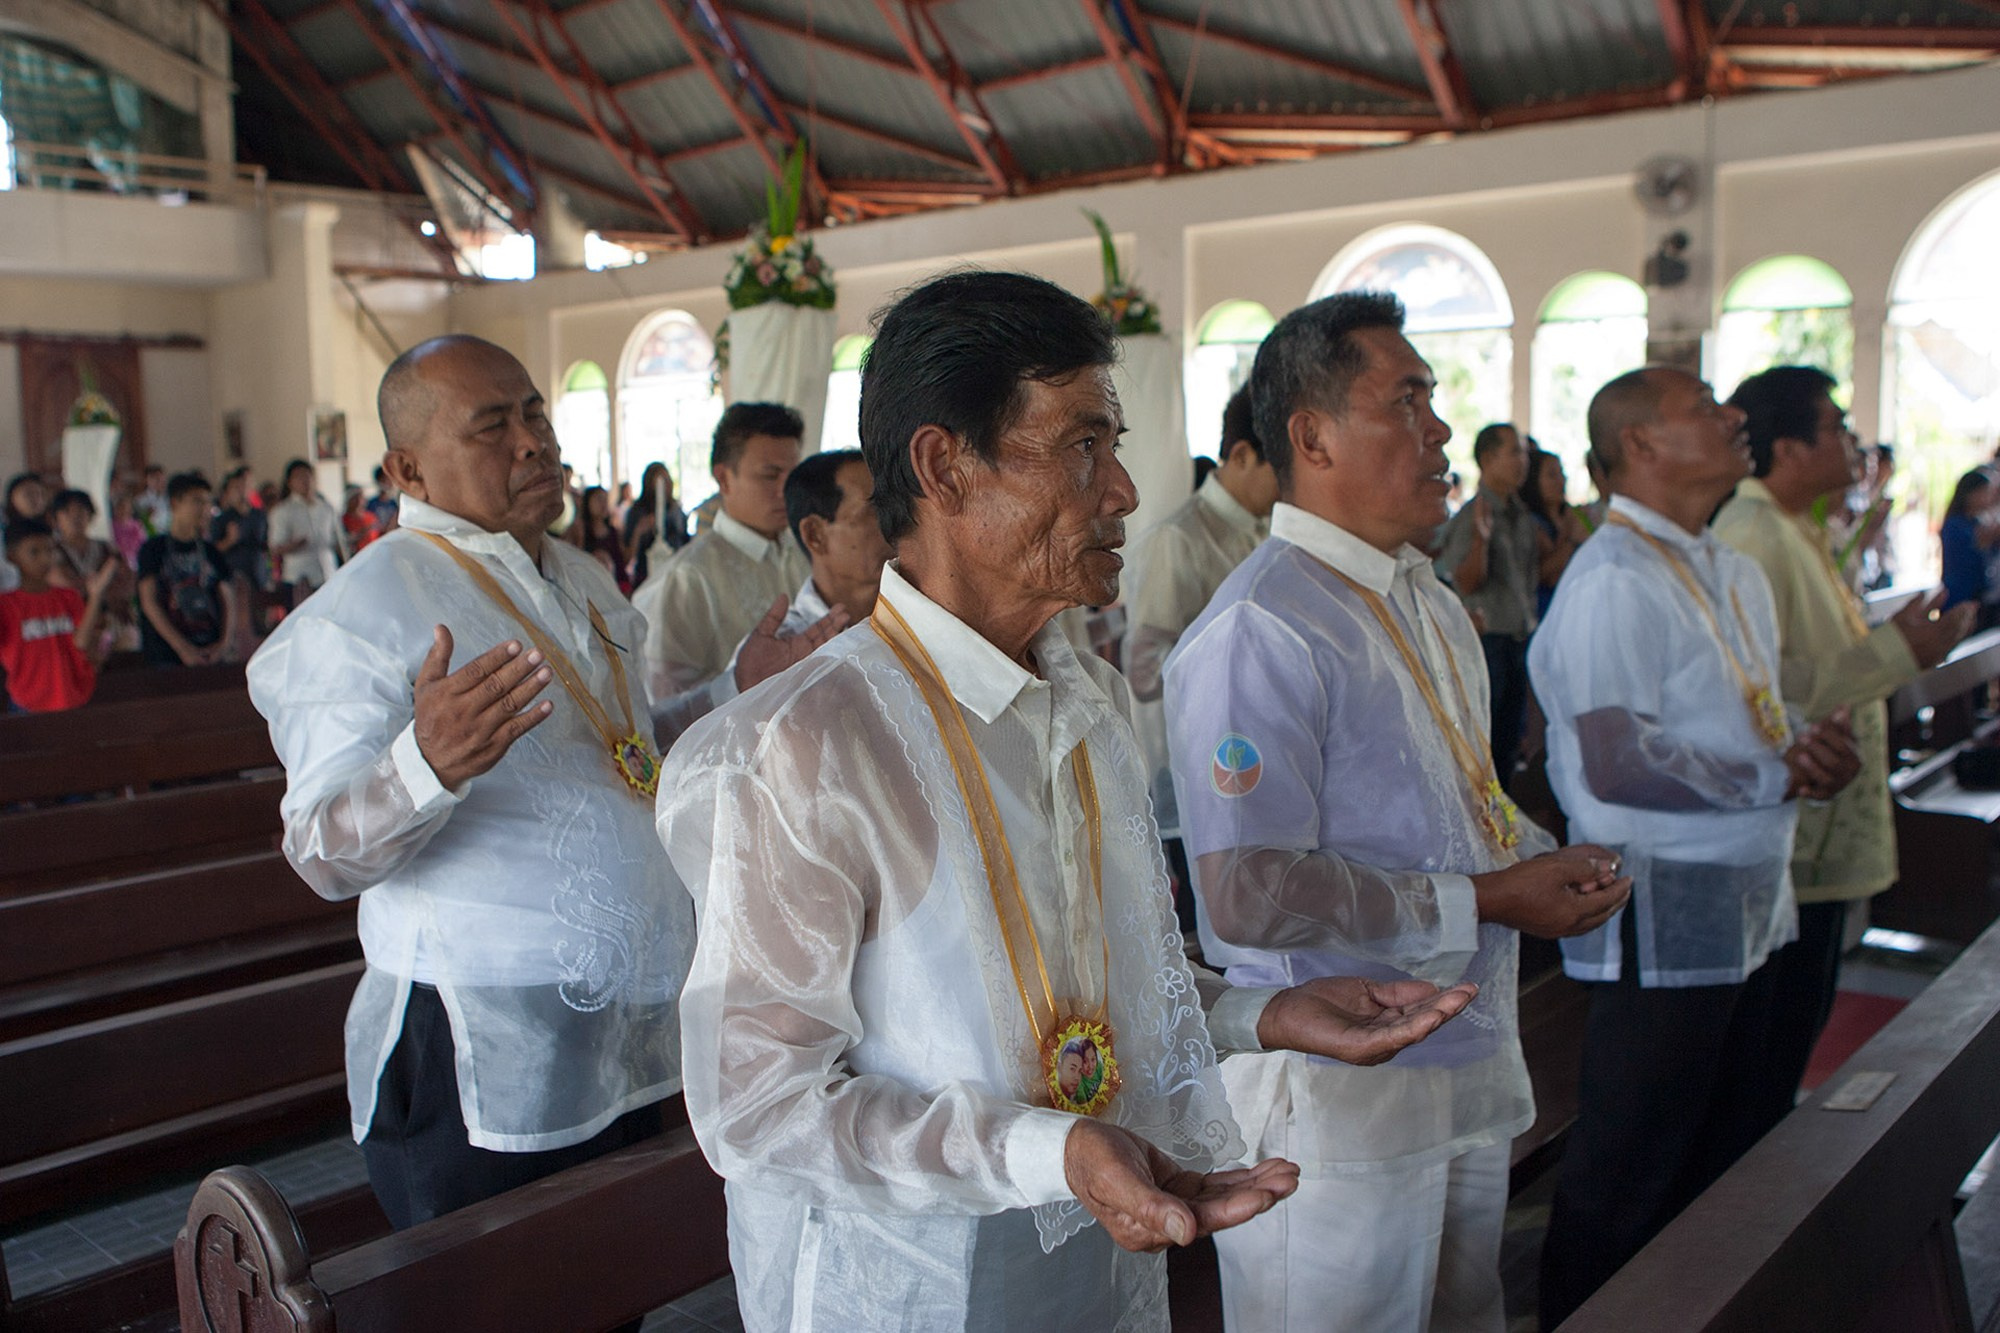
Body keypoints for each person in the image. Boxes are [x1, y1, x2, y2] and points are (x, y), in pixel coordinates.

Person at [657, 271, 1483, 1333]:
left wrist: (1256, 1010)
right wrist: (1051, 1147)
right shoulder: (799, 745)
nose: (1124, 490)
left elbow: (1084, 976)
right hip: (906, 1287)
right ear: (944, 464)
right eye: (1083, 446)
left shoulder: (1076, 690)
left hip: (1092, 1251)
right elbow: (759, 1109)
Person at [245, 335, 838, 1241]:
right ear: (409, 467)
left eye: (534, 414)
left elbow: (626, 758)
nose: (532, 442)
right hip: (477, 1037)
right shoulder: (359, 614)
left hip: (630, 1021)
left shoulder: (586, 577)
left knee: (617, 1278)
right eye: (492, 426)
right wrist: (425, 764)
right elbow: (319, 851)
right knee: (499, 1296)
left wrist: (729, 693)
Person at [1168, 292, 1630, 1333]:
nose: (1438, 430)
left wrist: (1542, 857)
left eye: (1432, 399)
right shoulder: (1261, 625)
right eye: (1406, 399)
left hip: (1455, 1056)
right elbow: (1245, 895)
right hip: (1332, 1090)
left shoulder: (1417, 596)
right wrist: (1492, 896)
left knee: (1460, 1316)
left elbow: (1456, 804)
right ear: (1310, 435)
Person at [1531, 367, 1863, 1327]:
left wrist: (1805, 746)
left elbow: (1740, 716)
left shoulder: (1726, 566)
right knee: (1632, 1165)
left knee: (1735, 1145)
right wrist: (1776, 773)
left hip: (1750, 895)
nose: (1732, 418)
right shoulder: (1610, 580)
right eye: (1703, 409)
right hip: (1660, 907)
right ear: (1640, 445)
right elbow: (1616, 760)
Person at [1714, 366, 1973, 1116]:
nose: (1852, 443)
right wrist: (1898, 653)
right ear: (1789, 447)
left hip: (1817, 821)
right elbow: (1763, 689)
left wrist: (1901, 645)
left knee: (1792, 1032)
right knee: (1767, 1045)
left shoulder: (1793, 527)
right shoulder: (1752, 534)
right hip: (1790, 829)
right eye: (1835, 427)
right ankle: (1748, 1215)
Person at [1122, 383, 1277, 856]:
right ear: (1242, 454)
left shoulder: (1268, 531)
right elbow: (1146, 670)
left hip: (1266, 747)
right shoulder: (1180, 539)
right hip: (1204, 764)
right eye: (1282, 469)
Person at [632, 402, 813, 704]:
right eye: (770, 476)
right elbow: (666, 708)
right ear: (724, 478)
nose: (786, 490)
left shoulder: (803, 553)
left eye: (792, 476)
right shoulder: (687, 578)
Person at [1434, 423, 1540, 787]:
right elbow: (1466, 582)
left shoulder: (1520, 514)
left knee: (1511, 742)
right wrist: (1480, 540)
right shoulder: (1472, 515)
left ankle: (1509, 827)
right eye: (1513, 452)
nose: (1522, 461)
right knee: (1486, 741)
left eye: (1524, 453)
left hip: (1518, 638)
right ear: (1488, 459)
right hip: (1488, 641)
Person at [0, 518, 119, 711]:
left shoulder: (68, 596)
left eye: (50, 550)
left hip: (76, 696)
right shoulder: (6, 605)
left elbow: (81, 642)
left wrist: (96, 597)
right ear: (12, 557)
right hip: (28, 703)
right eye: (34, 552)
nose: (46, 558)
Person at [136, 471, 240, 667]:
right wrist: (182, 648)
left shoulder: (211, 552)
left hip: (210, 648)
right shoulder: (153, 549)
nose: (205, 509)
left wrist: (223, 645)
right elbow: (149, 601)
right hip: (167, 654)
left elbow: (227, 599)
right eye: (197, 502)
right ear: (175, 504)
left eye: (208, 503)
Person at [48, 488, 136, 656]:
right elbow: (65, 585)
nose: (75, 517)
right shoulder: (52, 551)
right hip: (70, 623)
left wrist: (93, 589)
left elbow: (128, 582)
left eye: (81, 511)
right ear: (56, 518)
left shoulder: (107, 548)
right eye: (67, 512)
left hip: (112, 620)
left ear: (91, 515)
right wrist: (103, 586)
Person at [1521, 448, 1589, 619]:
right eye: (1552, 475)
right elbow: (1544, 575)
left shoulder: (1574, 515)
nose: (1561, 480)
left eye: (1561, 473)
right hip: (1546, 612)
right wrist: (1571, 540)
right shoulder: (1530, 523)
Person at [269, 458, 346, 604]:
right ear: (289, 482)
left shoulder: (326, 508)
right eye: (299, 477)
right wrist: (294, 544)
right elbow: (275, 548)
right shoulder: (282, 511)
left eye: (308, 476)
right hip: (299, 578)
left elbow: (338, 541)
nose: (305, 481)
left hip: (328, 575)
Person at [1939, 466, 1998, 616]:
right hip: (1959, 596)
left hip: (1980, 597)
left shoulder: (1978, 523)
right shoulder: (1955, 525)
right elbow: (1964, 557)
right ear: (1971, 494)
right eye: (1985, 492)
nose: (1989, 498)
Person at [576, 486, 627, 590]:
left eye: (605, 500)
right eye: (599, 499)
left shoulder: (613, 531)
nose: (603, 504)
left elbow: (621, 560)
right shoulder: (580, 529)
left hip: (614, 584)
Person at [135, 464, 171, 535]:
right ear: (147, 480)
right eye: (155, 478)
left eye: (161, 478)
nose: (159, 481)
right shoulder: (140, 500)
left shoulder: (169, 496)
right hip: (152, 534)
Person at [365, 466, 401, 535]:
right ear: (378, 481)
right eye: (385, 479)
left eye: (391, 479)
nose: (389, 483)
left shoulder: (395, 504)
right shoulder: (370, 504)